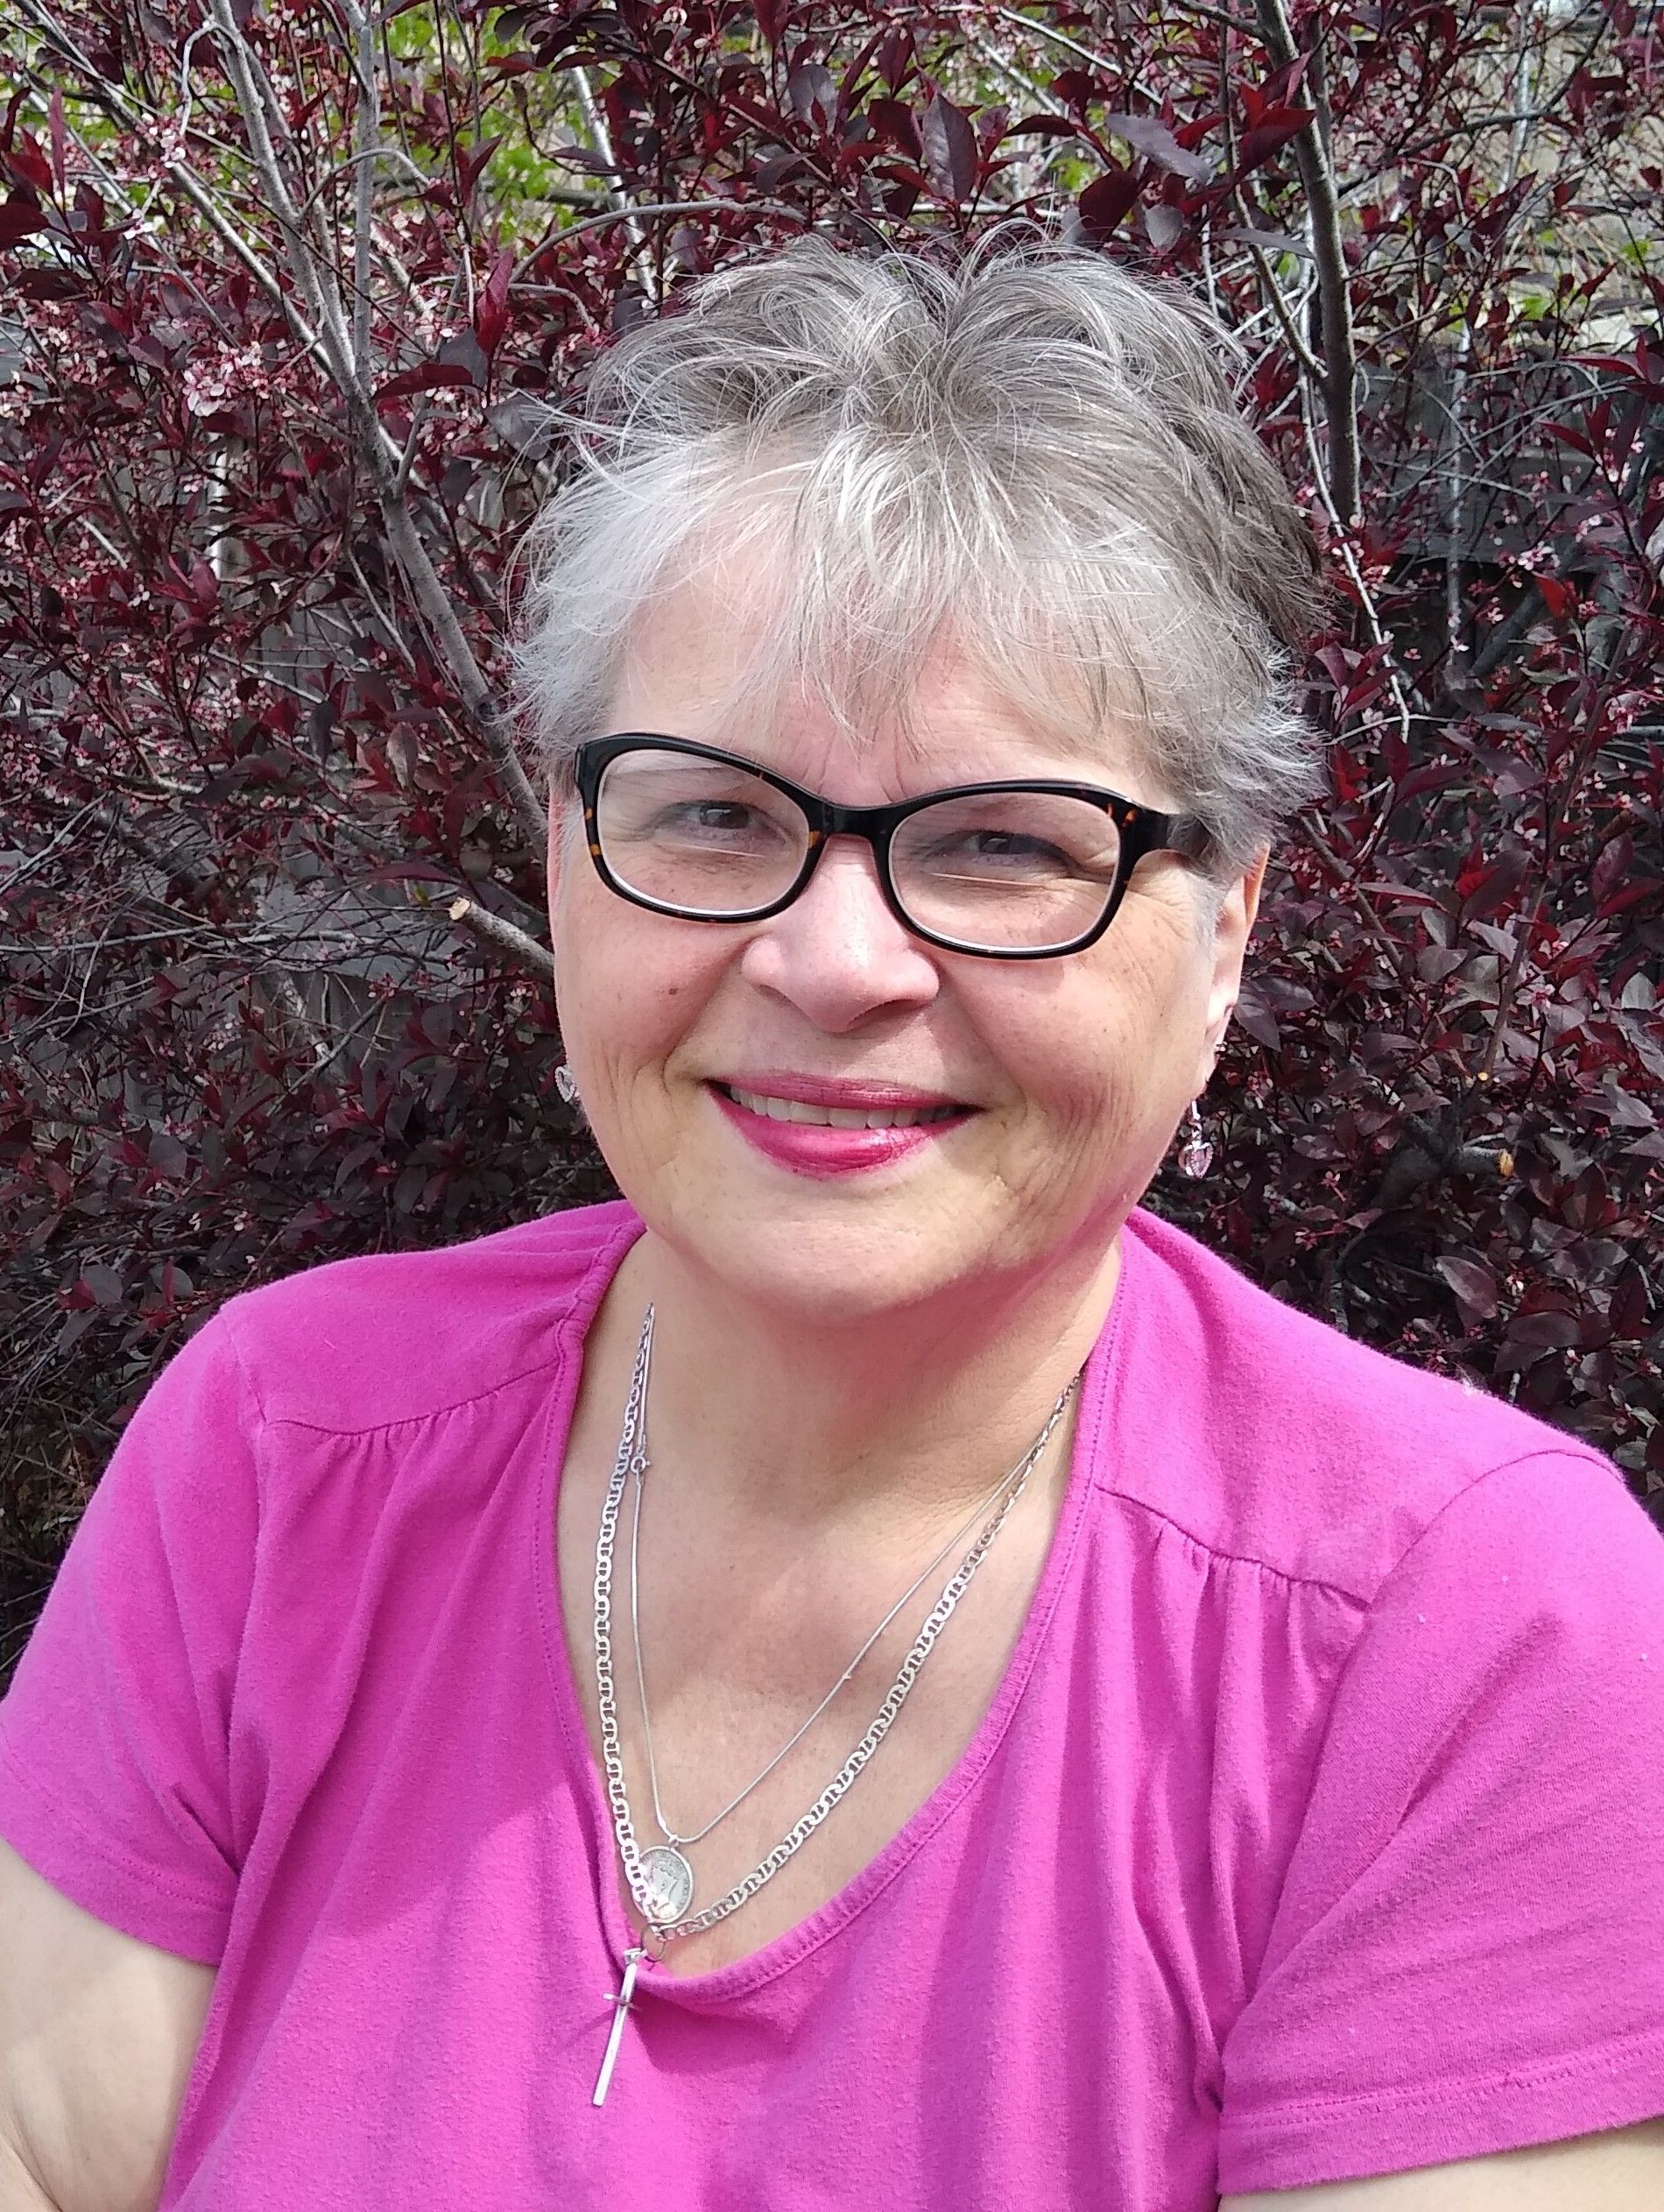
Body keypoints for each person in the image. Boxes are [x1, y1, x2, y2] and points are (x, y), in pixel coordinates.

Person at [1, 238, 1660, 2212]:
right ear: (565, 854)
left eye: (1001, 842)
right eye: (714, 813)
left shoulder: (1466, 1644)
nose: (831, 960)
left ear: (1223, 932)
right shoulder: (286, 1450)